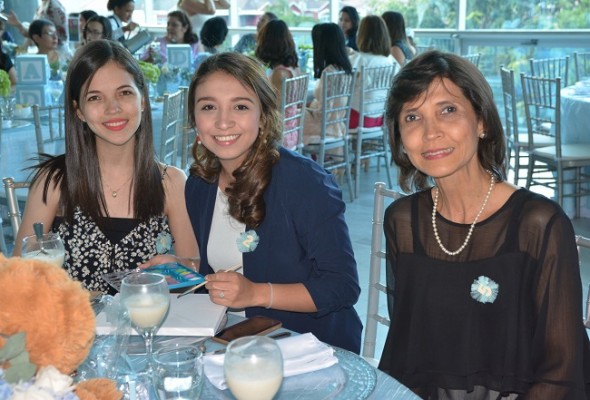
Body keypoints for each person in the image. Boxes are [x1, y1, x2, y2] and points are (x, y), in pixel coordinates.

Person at [378, 50, 590, 398]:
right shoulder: (403, 221)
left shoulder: (538, 225)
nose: (431, 133)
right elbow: (408, 352)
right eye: (413, 117)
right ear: (400, 136)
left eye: (448, 110)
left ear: (482, 121)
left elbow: (561, 371)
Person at [144, 51, 362, 353]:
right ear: (194, 119)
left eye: (240, 106)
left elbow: (342, 287)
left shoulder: (305, 182)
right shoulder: (200, 184)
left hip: (308, 347)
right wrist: (182, 267)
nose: (223, 122)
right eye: (209, 107)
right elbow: (220, 269)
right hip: (231, 342)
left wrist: (257, 294)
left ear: (263, 116)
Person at [13, 40, 199, 296]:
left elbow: (193, 271)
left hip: (150, 331)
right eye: (95, 98)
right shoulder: (54, 181)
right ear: (78, 111)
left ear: (143, 100)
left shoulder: (171, 182)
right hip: (75, 331)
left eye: (124, 93)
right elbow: (19, 278)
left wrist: (180, 269)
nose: (113, 108)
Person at [255, 19, 302, 150]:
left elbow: (275, 110)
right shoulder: (294, 68)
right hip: (292, 131)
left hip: (280, 135)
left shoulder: (279, 73)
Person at [303, 22, 353, 146]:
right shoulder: (345, 69)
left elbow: (323, 114)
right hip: (338, 124)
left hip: (325, 128)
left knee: (287, 118)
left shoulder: (329, 72)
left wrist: (303, 109)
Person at [349, 15, 397, 130]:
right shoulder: (390, 60)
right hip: (380, 118)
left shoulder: (358, 59)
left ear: (361, 34)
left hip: (355, 118)